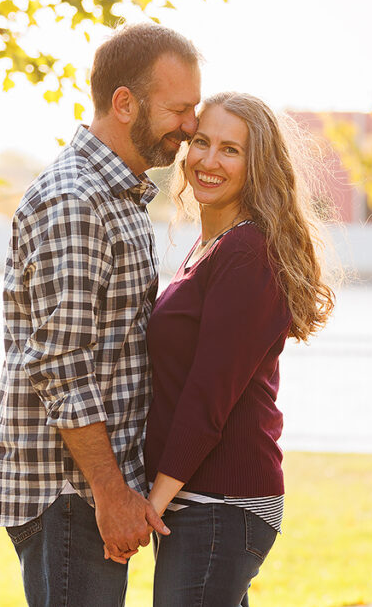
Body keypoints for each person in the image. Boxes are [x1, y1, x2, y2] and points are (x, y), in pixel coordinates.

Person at [0, 23, 202, 607]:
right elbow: (61, 361)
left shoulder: (120, 197)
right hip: (71, 493)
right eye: (179, 109)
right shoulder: (77, 201)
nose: (191, 127)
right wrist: (110, 494)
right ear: (124, 103)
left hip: (89, 491)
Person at [144, 92, 336, 606]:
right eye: (202, 142)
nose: (208, 160)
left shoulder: (248, 252)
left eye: (231, 150)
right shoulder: (212, 246)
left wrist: (153, 503)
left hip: (222, 501)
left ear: (258, 166)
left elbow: (209, 395)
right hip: (203, 500)